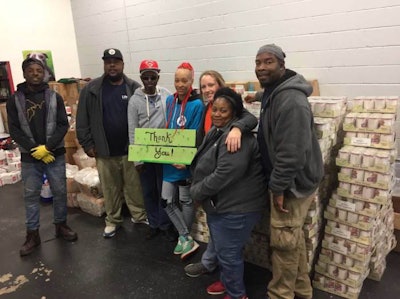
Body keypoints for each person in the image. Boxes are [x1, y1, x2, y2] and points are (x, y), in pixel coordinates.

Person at [255, 44, 324, 299]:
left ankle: (280, 294)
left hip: (292, 184)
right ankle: (302, 290)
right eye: (258, 62)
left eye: (268, 62)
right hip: (291, 181)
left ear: (282, 65)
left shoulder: (292, 101)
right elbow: (271, 98)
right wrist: (255, 98)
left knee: (283, 243)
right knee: (292, 238)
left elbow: (291, 153)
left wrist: (279, 188)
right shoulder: (276, 91)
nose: (261, 67)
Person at [184, 71, 259, 289]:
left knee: (229, 253)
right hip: (220, 201)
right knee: (221, 243)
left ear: (233, 112)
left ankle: (236, 293)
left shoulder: (236, 135)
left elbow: (225, 173)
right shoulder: (215, 125)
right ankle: (217, 272)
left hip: (234, 204)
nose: (217, 113)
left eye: (222, 111)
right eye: (203, 86)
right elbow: (204, 152)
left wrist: (197, 191)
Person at [7, 57, 77, 256]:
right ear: (24, 73)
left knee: (59, 191)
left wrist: (47, 147)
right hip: (30, 158)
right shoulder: (15, 99)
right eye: (31, 70)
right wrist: (33, 149)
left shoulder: (54, 97)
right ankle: (32, 235)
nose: (36, 73)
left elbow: (63, 124)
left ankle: (61, 225)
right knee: (30, 196)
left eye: (39, 70)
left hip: (54, 155)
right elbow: (14, 129)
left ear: (43, 72)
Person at [76, 48, 147, 238]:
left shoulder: (133, 88)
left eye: (116, 62)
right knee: (110, 189)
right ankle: (113, 220)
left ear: (123, 64)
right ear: (104, 65)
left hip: (130, 150)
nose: (112, 65)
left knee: (134, 187)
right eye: (108, 62)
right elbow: (82, 121)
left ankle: (139, 215)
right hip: (104, 151)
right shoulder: (91, 90)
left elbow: (144, 118)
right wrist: (87, 144)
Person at [127, 59, 176, 241]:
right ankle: (154, 224)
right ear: (141, 78)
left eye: (152, 77)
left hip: (163, 153)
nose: (149, 81)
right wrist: (137, 159)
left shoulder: (166, 95)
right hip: (145, 155)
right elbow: (132, 129)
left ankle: (165, 224)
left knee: (164, 191)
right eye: (145, 77)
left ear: (158, 77)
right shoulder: (134, 101)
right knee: (149, 191)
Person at [161, 62, 204, 259]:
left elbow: (194, 134)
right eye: (177, 80)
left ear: (191, 81)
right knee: (166, 200)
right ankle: (186, 237)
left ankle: (184, 239)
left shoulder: (197, 104)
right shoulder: (170, 100)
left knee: (186, 200)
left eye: (184, 80)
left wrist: (186, 160)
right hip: (169, 160)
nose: (180, 84)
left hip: (184, 161)